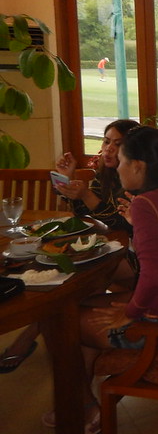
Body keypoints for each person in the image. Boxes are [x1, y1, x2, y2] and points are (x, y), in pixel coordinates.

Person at [42, 125, 158, 432]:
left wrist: (130, 312)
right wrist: (137, 223)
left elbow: (153, 276)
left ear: (138, 166)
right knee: (80, 311)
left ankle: (82, 403)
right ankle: (83, 399)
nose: (117, 167)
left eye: (121, 161)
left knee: (58, 323)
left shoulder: (146, 204)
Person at [0, 119, 140, 374]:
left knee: (68, 286)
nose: (108, 149)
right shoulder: (104, 176)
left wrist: (86, 195)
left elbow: (121, 223)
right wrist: (69, 186)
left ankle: (31, 338)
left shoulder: (136, 180)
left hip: (135, 260)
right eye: (106, 141)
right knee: (68, 284)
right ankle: (73, 370)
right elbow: (87, 216)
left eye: (117, 144)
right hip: (115, 251)